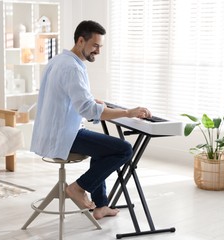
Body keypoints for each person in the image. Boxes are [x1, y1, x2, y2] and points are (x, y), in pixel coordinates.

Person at [30, 20, 152, 220]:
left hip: (51, 132)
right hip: (65, 135)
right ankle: (78, 187)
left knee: (104, 150)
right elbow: (88, 111)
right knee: (124, 149)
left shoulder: (59, 60)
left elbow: (67, 96)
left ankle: (101, 206)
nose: (98, 51)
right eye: (95, 45)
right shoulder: (73, 68)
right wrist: (128, 112)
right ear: (80, 41)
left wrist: (93, 101)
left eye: (100, 46)